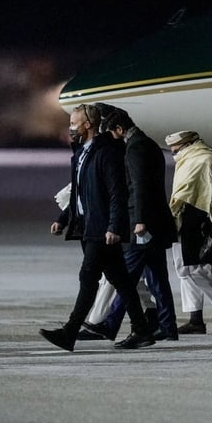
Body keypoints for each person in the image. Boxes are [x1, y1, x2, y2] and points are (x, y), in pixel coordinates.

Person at [40, 103, 154, 351]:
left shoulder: (107, 153)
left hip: (101, 229)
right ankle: (142, 329)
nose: (70, 127)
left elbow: (116, 193)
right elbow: (80, 193)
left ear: (88, 125)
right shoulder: (81, 153)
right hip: (86, 226)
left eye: (74, 123)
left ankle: (69, 332)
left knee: (88, 277)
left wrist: (114, 226)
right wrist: (63, 218)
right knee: (121, 280)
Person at [80, 107, 179, 341]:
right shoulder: (147, 144)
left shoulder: (135, 148)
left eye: (113, 134)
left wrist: (140, 220)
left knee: (124, 278)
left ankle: (111, 325)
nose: (113, 139)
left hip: (143, 224)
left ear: (120, 129)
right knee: (157, 278)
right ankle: (168, 326)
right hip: (153, 223)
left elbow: (139, 186)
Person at [165, 130, 212, 335]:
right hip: (182, 220)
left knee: (199, 270)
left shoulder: (206, 159)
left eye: (175, 148)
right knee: (183, 271)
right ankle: (195, 319)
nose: (173, 151)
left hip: (201, 221)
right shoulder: (187, 159)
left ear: (187, 144)